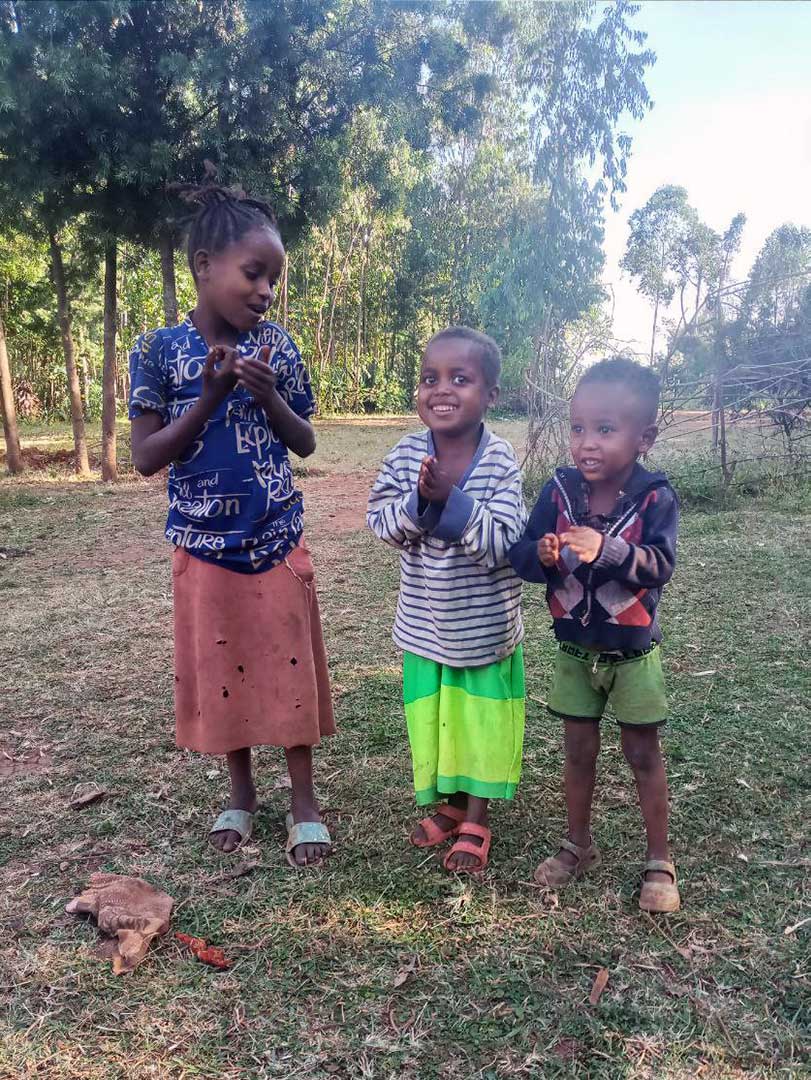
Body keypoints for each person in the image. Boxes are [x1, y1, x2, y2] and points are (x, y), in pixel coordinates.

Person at [128, 185, 334, 867]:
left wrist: (267, 393)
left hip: (275, 538)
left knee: (289, 665)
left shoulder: (276, 347)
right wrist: (211, 397)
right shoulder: (158, 351)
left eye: (274, 278)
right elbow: (146, 458)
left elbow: (303, 442)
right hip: (203, 546)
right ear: (203, 264)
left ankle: (303, 799)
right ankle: (241, 793)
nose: (266, 290)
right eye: (254, 273)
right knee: (225, 668)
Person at [510, 356, 680, 912]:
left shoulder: (654, 495)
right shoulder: (558, 491)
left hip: (632, 656)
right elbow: (524, 556)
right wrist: (541, 553)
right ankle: (577, 845)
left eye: (605, 430)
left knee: (642, 752)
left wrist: (608, 549)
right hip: (573, 650)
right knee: (577, 751)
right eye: (578, 428)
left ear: (644, 438)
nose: (587, 443)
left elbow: (660, 565)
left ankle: (660, 859)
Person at [367, 327, 526, 874]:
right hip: (425, 625)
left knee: (478, 724)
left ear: (491, 395)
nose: (442, 389)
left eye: (461, 378)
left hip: (483, 630)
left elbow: (505, 542)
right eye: (430, 377)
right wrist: (418, 502)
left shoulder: (501, 462)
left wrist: (451, 503)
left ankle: (477, 814)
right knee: (437, 720)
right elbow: (382, 524)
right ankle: (451, 804)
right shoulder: (405, 454)